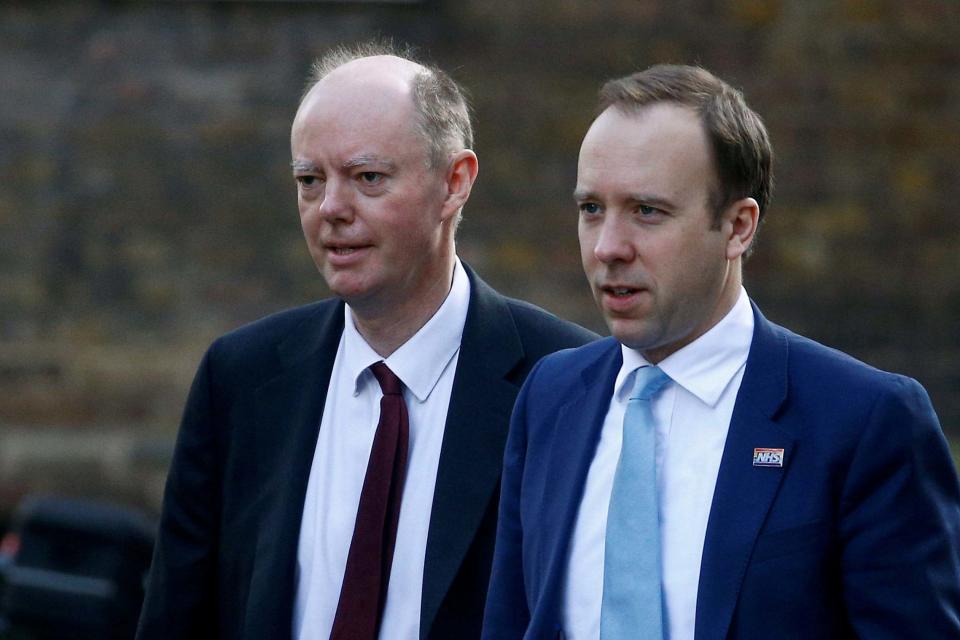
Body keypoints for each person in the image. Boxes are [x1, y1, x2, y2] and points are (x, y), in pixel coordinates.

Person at [136, 41, 596, 640]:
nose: (330, 208)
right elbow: (177, 618)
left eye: (367, 177)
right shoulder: (242, 378)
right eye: (309, 180)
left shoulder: (566, 381)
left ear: (455, 182)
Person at [482, 64, 960, 639]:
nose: (607, 247)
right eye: (591, 209)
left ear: (738, 226)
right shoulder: (550, 395)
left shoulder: (865, 421)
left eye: (647, 211)